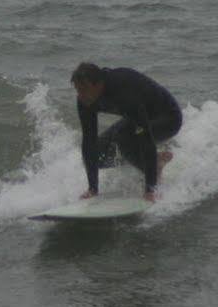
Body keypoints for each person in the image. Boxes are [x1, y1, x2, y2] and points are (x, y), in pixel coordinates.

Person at [71, 61, 182, 202]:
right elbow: (89, 141)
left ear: (98, 84)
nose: (80, 96)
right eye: (77, 90)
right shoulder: (85, 100)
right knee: (97, 155)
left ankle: (152, 173)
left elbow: (145, 137)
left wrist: (150, 190)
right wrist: (93, 189)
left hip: (168, 118)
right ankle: (155, 163)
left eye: (83, 90)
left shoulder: (123, 90)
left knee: (124, 137)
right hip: (138, 117)